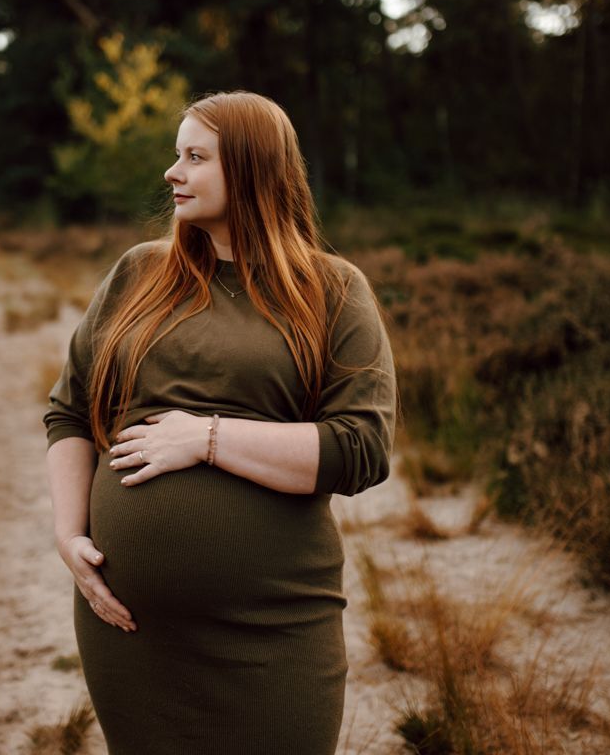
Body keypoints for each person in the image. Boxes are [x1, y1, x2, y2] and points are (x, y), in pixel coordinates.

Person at [43, 90, 398, 755]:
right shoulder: (140, 273)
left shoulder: (333, 290)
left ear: (255, 169)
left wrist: (205, 439)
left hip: (275, 626)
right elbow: (69, 412)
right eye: (176, 156)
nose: (172, 173)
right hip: (133, 631)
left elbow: (362, 447)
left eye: (195, 157)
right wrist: (69, 536)